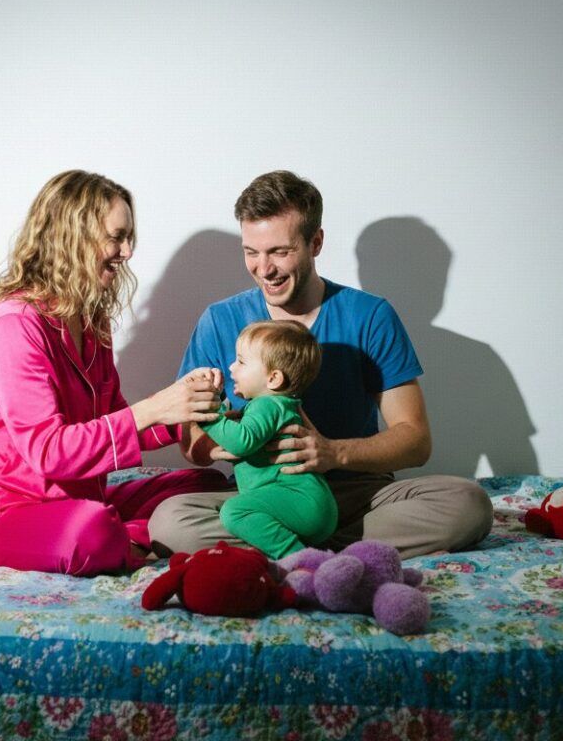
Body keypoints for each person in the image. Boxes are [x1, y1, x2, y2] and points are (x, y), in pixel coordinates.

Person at [149, 170, 493, 560]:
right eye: (251, 252)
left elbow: (415, 440)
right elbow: (191, 444)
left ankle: (289, 551)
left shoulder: (370, 315)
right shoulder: (220, 319)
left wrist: (331, 453)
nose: (264, 269)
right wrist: (227, 444)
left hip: (357, 494)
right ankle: (327, 553)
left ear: (315, 242)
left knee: (469, 502)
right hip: (262, 495)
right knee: (168, 521)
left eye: (280, 251)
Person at [0, 170, 231, 576]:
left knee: (205, 485)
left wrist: (185, 411)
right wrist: (154, 407)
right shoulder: (16, 324)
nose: (128, 251)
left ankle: (124, 534)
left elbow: (111, 420)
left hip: (78, 500)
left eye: (130, 237)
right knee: (93, 531)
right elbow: (48, 452)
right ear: (74, 237)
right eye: (117, 237)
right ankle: (120, 537)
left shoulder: (90, 318)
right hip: (0, 515)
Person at [200, 319, 335, 559]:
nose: (231, 367)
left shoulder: (268, 405)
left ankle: (298, 559)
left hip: (299, 501)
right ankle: (301, 549)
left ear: (273, 379)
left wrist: (209, 417)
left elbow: (242, 441)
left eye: (241, 362)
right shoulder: (273, 405)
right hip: (302, 503)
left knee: (234, 512)